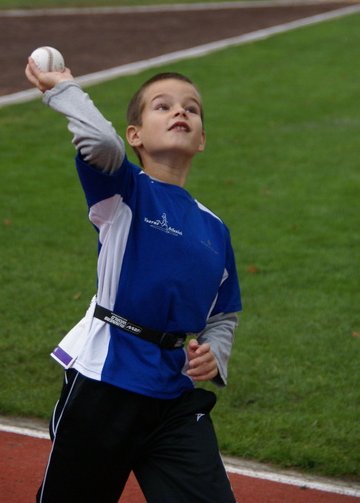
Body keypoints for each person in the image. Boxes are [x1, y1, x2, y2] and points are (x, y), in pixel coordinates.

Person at [25, 59, 242, 503]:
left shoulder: (214, 229)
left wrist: (215, 355)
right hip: (106, 382)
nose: (181, 112)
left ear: (202, 140)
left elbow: (223, 314)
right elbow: (100, 141)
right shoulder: (121, 191)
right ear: (135, 136)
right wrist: (63, 87)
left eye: (192, 109)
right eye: (162, 106)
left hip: (174, 394)